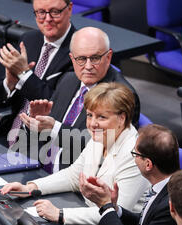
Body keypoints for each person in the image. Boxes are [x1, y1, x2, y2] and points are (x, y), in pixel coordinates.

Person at [0, 82, 149, 225]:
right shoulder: (101, 136)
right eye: (90, 115)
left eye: (102, 117)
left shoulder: (134, 155)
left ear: (122, 118)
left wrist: (60, 214)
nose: (92, 123)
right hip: (93, 220)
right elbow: (73, 176)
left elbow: (116, 212)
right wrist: (30, 188)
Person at [18, 27, 140, 173]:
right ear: (72, 59)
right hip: (38, 168)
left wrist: (54, 128)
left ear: (108, 57)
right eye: (81, 59)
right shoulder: (68, 79)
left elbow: (100, 145)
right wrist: (35, 122)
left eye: (95, 58)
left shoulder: (122, 95)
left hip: (77, 183)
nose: (88, 66)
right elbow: (45, 134)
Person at [79, 124, 179, 225]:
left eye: (135, 154)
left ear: (148, 164)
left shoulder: (171, 203)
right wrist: (115, 208)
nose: (134, 159)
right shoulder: (164, 186)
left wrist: (105, 206)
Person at [0, 0, 76, 145]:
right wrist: (9, 83)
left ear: (69, 8)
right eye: (41, 12)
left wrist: (24, 74)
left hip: (46, 144)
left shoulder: (79, 50)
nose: (47, 19)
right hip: (9, 136)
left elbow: (59, 108)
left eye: (55, 12)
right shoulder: (29, 39)